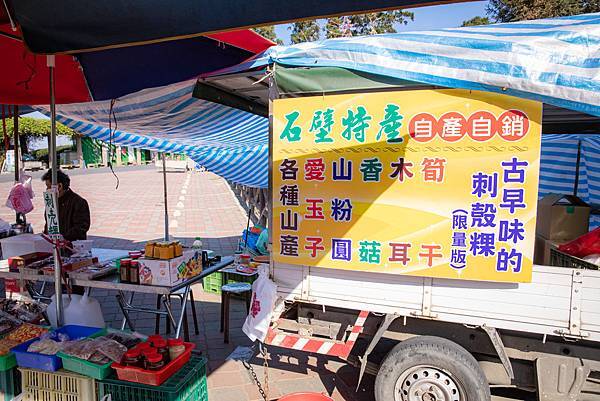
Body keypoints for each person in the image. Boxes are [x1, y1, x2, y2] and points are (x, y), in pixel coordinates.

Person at [42, 169, 91, 242]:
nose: (47, 190)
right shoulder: (52, 202)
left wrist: (63, 237)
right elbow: (49, 224)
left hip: (73, 246)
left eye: (48, 187)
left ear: (59, 186)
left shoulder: (79, 202)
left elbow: (81, 228)